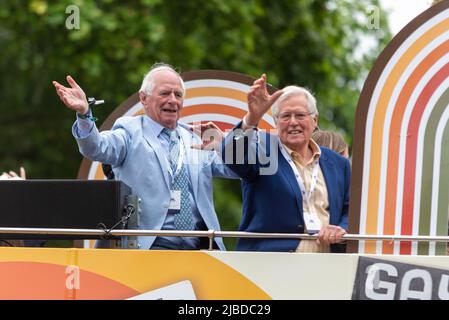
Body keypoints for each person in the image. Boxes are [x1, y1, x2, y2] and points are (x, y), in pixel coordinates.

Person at [53, 63, 238, 250]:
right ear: (144, 98)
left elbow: (238, 170)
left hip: (202, 247)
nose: (173, 100)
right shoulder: (129, 130)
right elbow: (96, 148)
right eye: (165, 93)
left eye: (178, 95)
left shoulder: (195, 137)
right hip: (151, 247)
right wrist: (84, 114)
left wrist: (223, 144)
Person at [221, 74, 351, 252]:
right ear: (275, 122)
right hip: (272, 265)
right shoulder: (262, 151)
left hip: (328, 262)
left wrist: (341, 228)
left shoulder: (337, 163)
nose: (293, 122)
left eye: (300, 115)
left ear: (315, 121)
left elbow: (351, 209)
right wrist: (251, 119)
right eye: (285, 116)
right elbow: (231, 156)